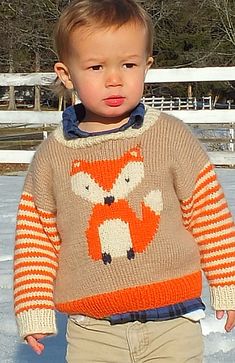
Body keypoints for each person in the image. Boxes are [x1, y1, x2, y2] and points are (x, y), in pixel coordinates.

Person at [13, 0, 235, 362]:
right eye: (96, 66)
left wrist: (227, 286)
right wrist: (34, 307)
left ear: (146, 66)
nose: (114, 78)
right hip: (92, 330)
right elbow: (36, 239)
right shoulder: (53, 156)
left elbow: (210, 217)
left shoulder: (169, 137)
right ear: (67, 74)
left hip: (174, 324)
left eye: (128, 65)